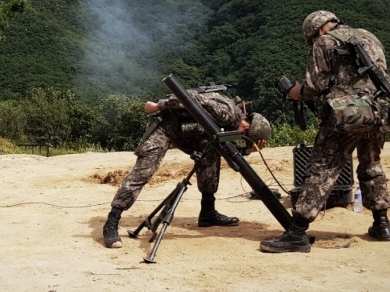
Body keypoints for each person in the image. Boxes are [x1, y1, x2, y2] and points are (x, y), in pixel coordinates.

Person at [260, 10, 390, 253]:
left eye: (311, 39)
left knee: (321, 170)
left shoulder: (325, 42)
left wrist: (295, 92)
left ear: (318, 30)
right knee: (371, 166)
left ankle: (297, 233)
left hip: (346, 115)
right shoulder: (368, 35)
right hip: (379, 111)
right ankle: (382, 224)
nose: (313, 43)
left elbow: (314, 87)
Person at [102, 89, 271, 249]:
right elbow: (189, 96)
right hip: (166, 125)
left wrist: (247, 151)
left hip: (189, 130)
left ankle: (208, 212)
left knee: (212, 152)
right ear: (247, 127)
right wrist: (158, 105)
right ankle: (112, 221)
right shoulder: (226, 112)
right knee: (145, 169)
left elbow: (228, 151)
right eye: (244, 137)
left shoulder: (233, 125)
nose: (240, 138)